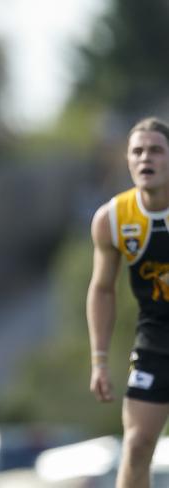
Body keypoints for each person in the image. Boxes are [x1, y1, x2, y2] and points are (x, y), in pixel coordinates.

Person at [87, 117, 169, 488]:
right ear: (127, 160)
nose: (145, 158)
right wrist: (100, 360)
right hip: (156, 340)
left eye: (155, 150)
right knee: (136, 446)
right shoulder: (113, 218)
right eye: (137, 151)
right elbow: (103, 289)